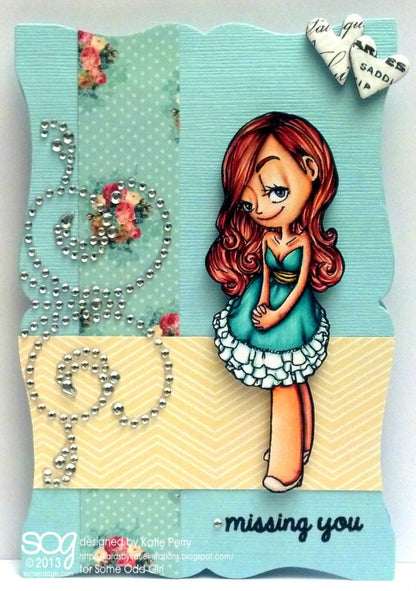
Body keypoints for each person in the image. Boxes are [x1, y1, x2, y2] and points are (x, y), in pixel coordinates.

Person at [206, 112, 344, 492]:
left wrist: (278, 315)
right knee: (292, 379)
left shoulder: (303, 242)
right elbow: (266, 275)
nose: (263, 210)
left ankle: (286, 467)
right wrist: (262, 304)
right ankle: (302, 444)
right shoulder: (268, 239)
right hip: (269, 302)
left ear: (310, 170)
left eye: (276, 191)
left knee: (284, 381)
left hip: (294, 311)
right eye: (250, 204)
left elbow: (299, 286)